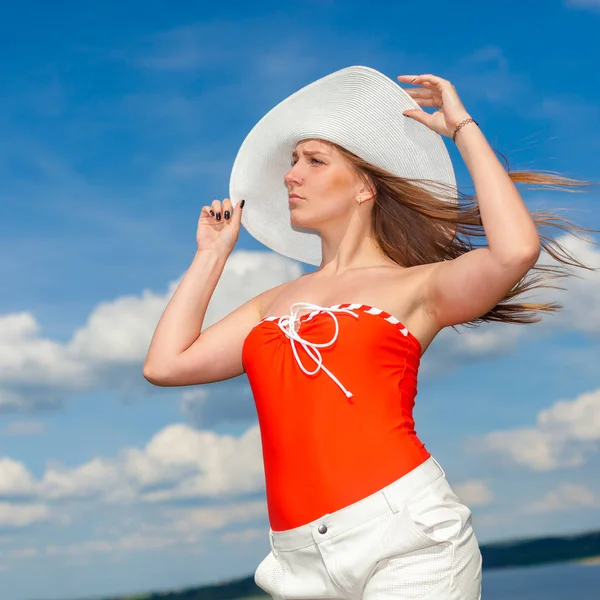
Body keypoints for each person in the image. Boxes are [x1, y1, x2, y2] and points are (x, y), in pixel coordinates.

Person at [143, 67, 594, 600]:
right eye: (292, 162)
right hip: (297, 564)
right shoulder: (270, 305)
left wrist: (462, 129)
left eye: (314, 160)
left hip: (407, 541)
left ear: (364, 186)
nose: (291, 176)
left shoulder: (419, 287)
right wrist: (210, 257)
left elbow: (515, 250)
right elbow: (165, 364)